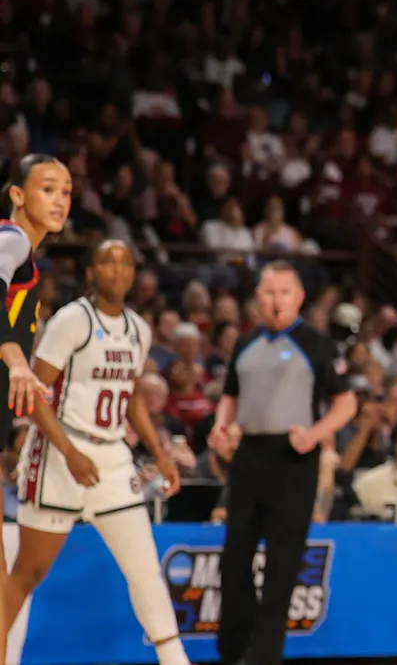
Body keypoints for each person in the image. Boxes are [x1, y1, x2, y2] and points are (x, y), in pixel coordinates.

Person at [4, 240, 189, 665]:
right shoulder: (72, 321)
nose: (118, 270)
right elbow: (34, 395)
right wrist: (69, 452)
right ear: (91, 273)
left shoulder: (139, 328)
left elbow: (133, 397)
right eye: (107, 261)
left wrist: (160, 453)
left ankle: (175, 658)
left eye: (125, 262)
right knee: (28, 574)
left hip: (111, 455)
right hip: (58, 451)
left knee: (144, 567)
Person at [210, 261, 356, 665]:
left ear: (299, 297)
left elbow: (346, 402)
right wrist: (221, 427)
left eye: (284, 293)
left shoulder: (317, 344)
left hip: (294, 459)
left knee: (282, 565)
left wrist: (315, 433)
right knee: (234, 558)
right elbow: (230, 396)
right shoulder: (244, 344)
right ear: (257, 297)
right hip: (249, 455)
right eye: (269, 292)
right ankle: (232, 653)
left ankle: (263, 658)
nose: (276, 301)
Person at [0, 154, 71, 634]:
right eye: (48, 188)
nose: (61, 199)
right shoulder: (12, 238)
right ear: (18, 195)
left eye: (66, 191)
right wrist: (18, 360)